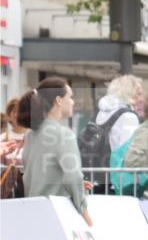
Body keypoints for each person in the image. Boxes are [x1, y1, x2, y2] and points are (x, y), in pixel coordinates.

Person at [17, 78, 92, 225]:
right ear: (58, 100)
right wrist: (84, 211)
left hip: (33, 213)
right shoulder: (64, 134)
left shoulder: (30, 135)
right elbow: (73, 176)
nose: (73, 102)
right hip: (57, 215)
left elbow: (37, 175)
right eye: (70, 97)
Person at [1, 98, 27, 198]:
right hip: (8, 193)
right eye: (15, 111)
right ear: (9, 116)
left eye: (21, 111)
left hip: (28, 191)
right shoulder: (2, 139)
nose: (18, 115)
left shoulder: (34, 139)